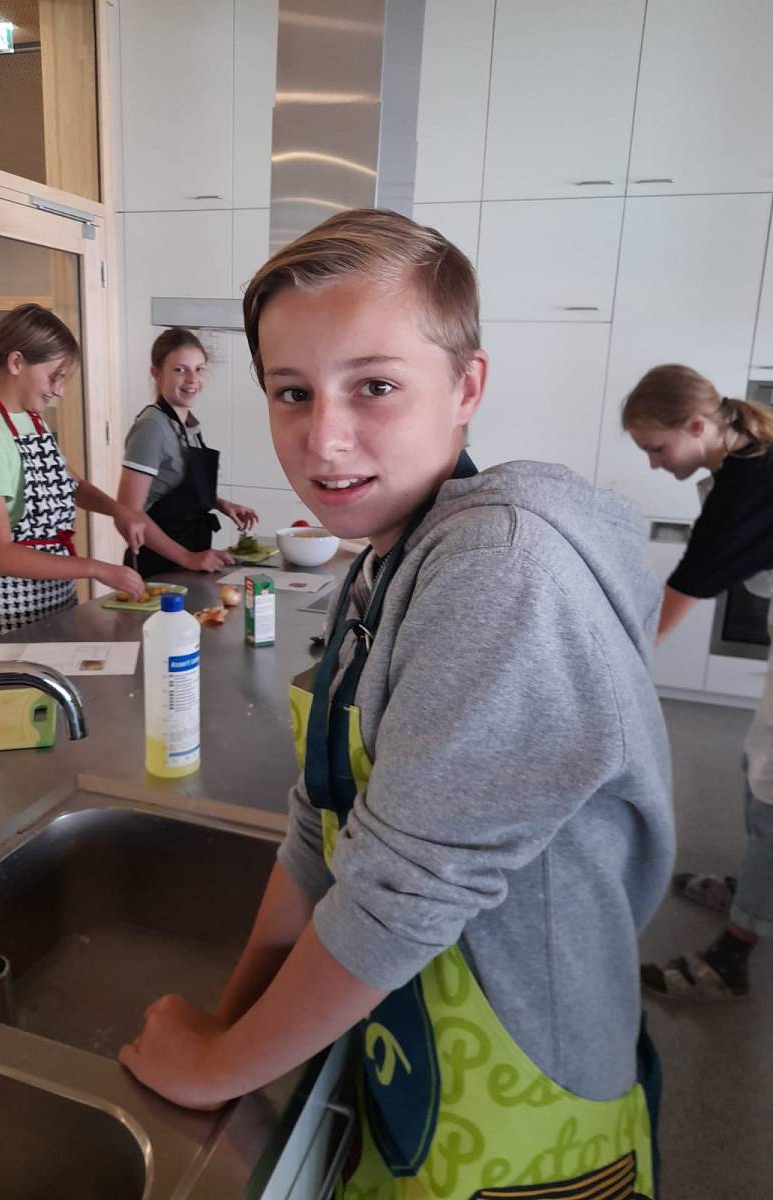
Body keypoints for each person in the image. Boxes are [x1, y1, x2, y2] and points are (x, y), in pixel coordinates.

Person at [119, 210, 673, 1198]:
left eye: (374, 385)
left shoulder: (501, 569)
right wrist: (230, 1025)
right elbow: (320, 824)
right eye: (292, 392)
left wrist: (218, 1065)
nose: (324, 439)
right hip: (411, 1043)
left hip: (527, 1099)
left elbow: (401, 894)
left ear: (467, 387)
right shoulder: (388, 558)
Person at [623, 363, 773, 1001]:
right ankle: (755, 890)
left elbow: (672, 604)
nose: (654, 464)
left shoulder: (746, 485)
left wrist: (604, 671)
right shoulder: (739, 462)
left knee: (772, 787)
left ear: (694, 426)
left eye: (657, 449)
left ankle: (733, 955)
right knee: (755, 766)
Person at [0, 303, 146, 647]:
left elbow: (71, 484)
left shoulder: (30, 419)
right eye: (55, 376)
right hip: (6, 611)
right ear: (16, 362)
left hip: (52, 601)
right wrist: (96, 568)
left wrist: (117, 510)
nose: (59, 390)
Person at [117, 328, 257, 576]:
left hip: (191, 557)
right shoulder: (152, 427)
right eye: (180, 370)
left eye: (199, 369)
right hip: (158, 566)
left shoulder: (187, 424)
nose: (192, 379)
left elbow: (174, 486)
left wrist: (220, 504)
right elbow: (128, 511)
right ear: (156, 374)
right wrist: (187, 558)